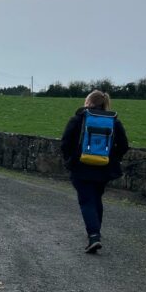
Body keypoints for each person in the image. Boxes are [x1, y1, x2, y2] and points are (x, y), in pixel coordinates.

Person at [60, 90, 129, 254]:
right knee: (96, 198)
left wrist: (70, 159)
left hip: (81, 166)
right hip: (104, 168)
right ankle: (96, 231)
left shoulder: (79, 119)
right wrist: (112, 158)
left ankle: (93, 236)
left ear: (89, 102)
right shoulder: (113, 121)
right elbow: (124, 145)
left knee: (86, 201)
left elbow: (66, 142)